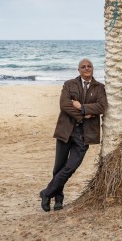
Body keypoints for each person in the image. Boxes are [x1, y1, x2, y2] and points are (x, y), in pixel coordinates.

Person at [39, 58, 108, 211]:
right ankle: (58, 200)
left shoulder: (100, 88)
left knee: (71, 167)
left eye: (89, 66)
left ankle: (46, 193)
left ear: (93, 69)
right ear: (78, 70)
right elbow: (64, 105)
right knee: (59, 167)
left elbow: (102, 106)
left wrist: (82, 107)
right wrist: (83, 115)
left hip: (85, 135)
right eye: (83, 67)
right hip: (66, 131)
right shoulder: (69, 84)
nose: (86, 68)